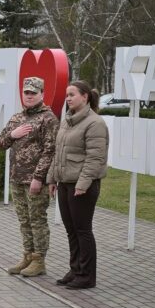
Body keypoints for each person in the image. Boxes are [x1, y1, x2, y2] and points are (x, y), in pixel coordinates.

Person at [46, 80, 109, 288]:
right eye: (67, 95)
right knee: (71, 230)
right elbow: (58, 152)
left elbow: (95, 158)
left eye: (72, 94)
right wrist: (52, 178)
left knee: (83, 230)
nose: (68, 98)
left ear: (85, 97)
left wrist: (83, 184)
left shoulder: (95, 123)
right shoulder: (67, 120)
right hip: (64, 183)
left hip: (82, 186)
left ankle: (87, 276)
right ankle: (75, 270)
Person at [0, 77, 59, 278]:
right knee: (24, 220)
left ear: (42, 94)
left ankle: (39, 260)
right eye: (26, 92)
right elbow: (0, 143)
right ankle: (28, 256)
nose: (29, 96)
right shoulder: (17, 117)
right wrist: (13, 135)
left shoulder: (48, 119)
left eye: (33, 93)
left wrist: (39, 177)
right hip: (17, 177)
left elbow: (50, 151)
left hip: (35, 180)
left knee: (37, 219)